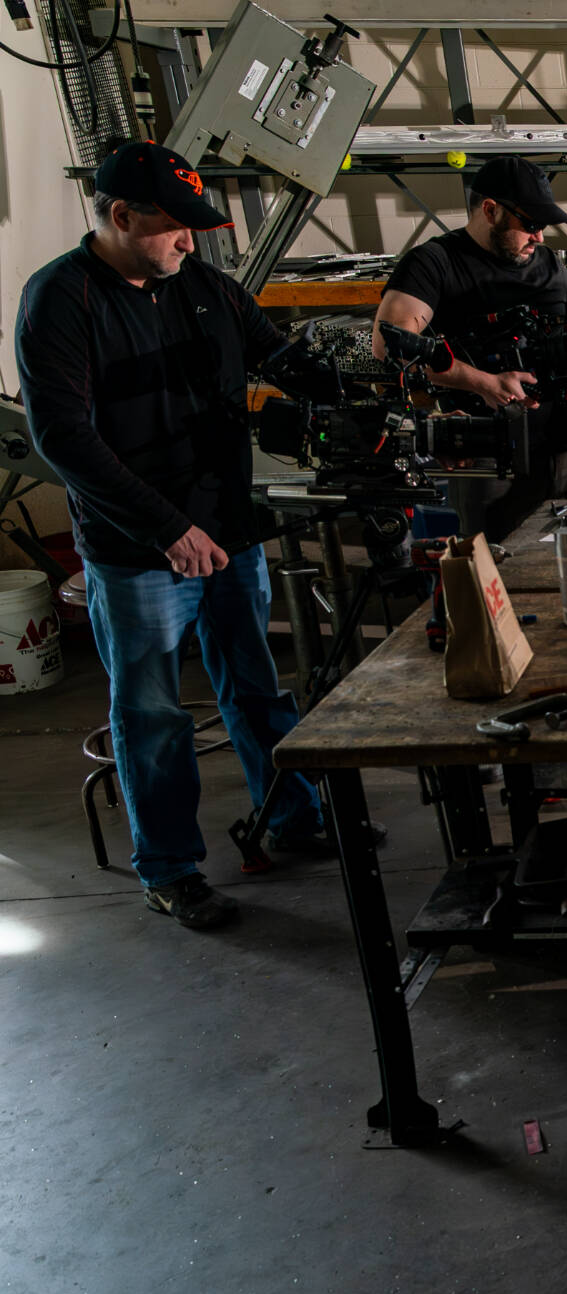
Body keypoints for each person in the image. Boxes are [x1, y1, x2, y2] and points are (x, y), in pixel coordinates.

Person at [15, 143, 342, 928]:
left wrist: (353, 383)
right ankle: (168, 866)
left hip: (228, 529)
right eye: (170, 228)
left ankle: (290, 814)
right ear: (121, 217)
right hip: (139, 550)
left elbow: (279, 356)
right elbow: (63, 438)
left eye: (193, 228)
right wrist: (167, 529)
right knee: (153, 712)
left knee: (257, 684)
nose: (187, 242)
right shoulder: (61, 301)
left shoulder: (204, 287)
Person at [372, 156, 567, 538]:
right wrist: (483, 382)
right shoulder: (435, 263)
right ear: (490, 210)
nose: (540, 237)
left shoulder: (550, 266)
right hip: (490, 460)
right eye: (531, 224)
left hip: (564, 450)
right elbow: (390, 346)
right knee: (495, 573)